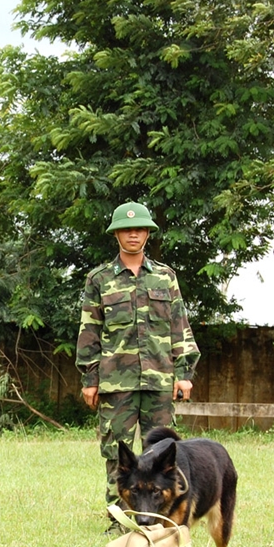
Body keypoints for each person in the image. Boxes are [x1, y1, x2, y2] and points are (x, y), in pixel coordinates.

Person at [75, 201, 200, 526]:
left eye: (140, 228)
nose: (133, 234)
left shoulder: (164, 277)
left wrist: (184, 373)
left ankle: (161, 515)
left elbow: (179, 325)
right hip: (115, 383)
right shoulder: (99, 279)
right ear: (117, 234)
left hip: (159, 379)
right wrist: (90, 378)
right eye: (127, 229)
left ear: (147, 233)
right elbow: (90, 329)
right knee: (117, 453)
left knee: (162, 452)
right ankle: (117, 517)